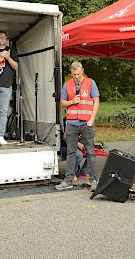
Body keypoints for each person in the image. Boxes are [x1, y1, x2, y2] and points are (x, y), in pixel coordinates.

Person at [55, 61, 100, 190]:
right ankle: (68, 180)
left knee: (90, 152)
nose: (76, 77)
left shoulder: (91, 83)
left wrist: (91, 119)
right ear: (71, 72)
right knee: (71, 153)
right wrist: (72, 101)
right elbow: (62, 102)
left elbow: (96, 102)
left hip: (87, 122)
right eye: (74, 74)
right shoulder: (67, 84)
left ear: (82, 70)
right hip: (72, 123)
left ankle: (94, 180)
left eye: (79, 74)